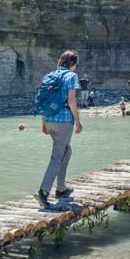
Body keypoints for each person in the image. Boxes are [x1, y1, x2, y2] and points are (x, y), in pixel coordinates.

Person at [37, 50, 83, 208]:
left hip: (49, 119)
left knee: (66, 151)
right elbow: (71, 101)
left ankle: (61, 189)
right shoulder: (71, 76)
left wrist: (43, 123)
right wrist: (78, 122)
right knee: (57, 157)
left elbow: (44, 100)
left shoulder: (50, 76)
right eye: (76, 64)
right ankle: (43, 192)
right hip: (63, 121)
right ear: (73, 63)